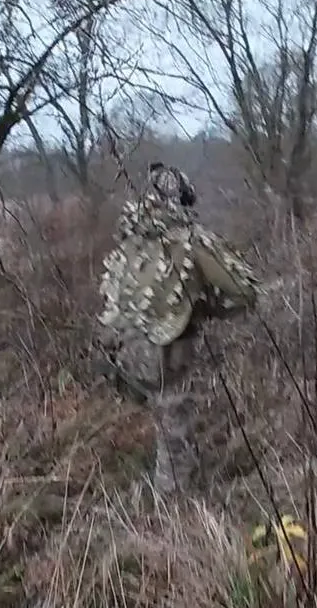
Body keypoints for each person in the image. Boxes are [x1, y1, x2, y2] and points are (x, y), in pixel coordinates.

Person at [96, 162, 262, 495]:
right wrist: (204, 305)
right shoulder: (189, 241)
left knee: (162, 417)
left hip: (117, 352)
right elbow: (243, 292)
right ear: (182, 199)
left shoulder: (130, 239)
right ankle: (171, 509)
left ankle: (159, 478)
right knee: (175, 424)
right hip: (162, 355)